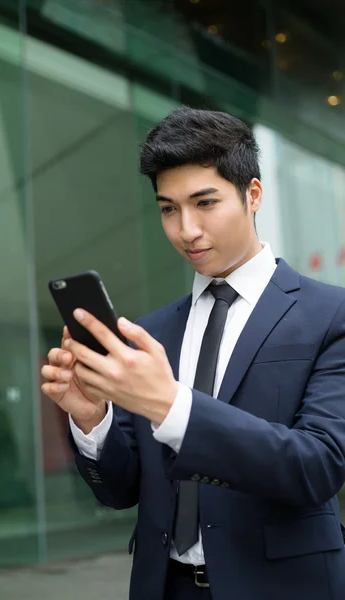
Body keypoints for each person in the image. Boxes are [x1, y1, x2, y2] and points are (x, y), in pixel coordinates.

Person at [41, 108, 345, 600]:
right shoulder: (151, 331)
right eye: (168, 208)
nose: (187, 230)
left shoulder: (331, 315)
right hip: (165, 587)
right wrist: (92, 420)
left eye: (205, 203)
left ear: (253, 195)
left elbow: (318, 466)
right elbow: (120, 491)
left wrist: (169, 405)